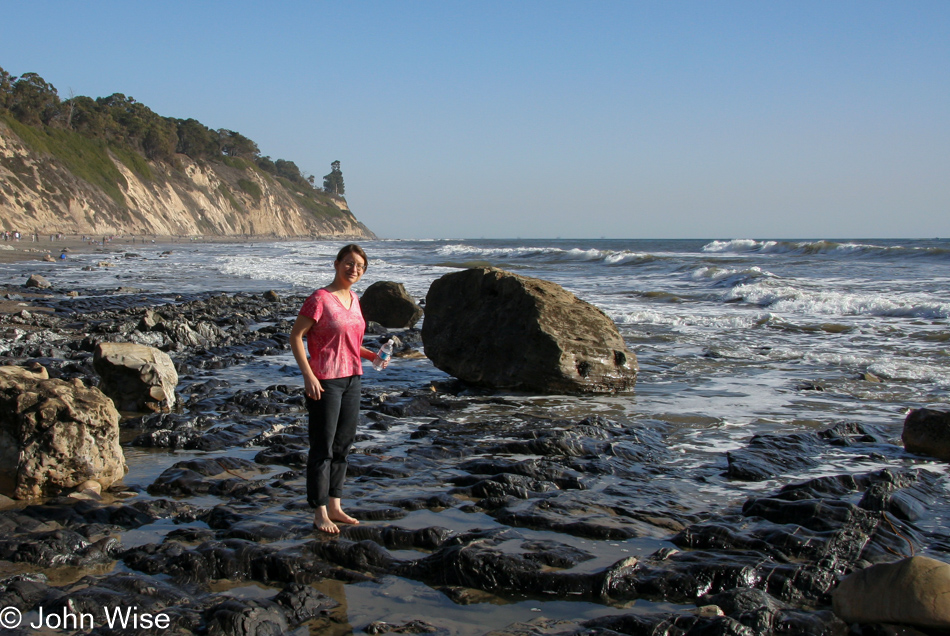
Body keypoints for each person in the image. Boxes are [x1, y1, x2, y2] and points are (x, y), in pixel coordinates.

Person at [290, 244, 387, 533]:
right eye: (349, 263)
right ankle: (319, 512)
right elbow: (296, 336)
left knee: (343, 446)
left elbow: (349, 342)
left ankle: (335, 505)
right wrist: (308, 375)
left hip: (353, 379)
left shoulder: (354, 299)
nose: (354, 269)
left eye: (359, 265)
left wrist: (373, 356)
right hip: (325, 381)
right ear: (336, 264)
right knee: (323, 446)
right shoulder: (319, 298)